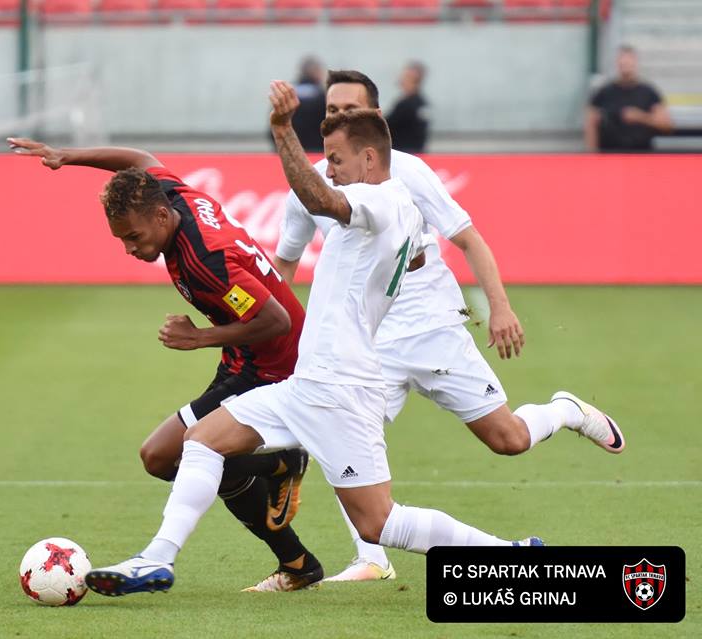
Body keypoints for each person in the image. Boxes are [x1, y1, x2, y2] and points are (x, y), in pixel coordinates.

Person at [82, 84, 589, 598]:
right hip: (313, 380)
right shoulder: (403, 214)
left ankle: (509, 557)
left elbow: (322, 199)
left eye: (337, 159)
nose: (330, 169)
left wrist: (283, 131)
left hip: (342, 388)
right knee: (203, 442)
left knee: (380, 523)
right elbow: (409, 257)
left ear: (370, 158)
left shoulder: (378, 200)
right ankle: (157, 560)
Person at [274, 69, 626, 582]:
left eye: (349, 110)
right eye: (330, 111)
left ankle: (564, 410)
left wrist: (500, 307)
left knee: (507, 439)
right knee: (340, 435)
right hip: (368, 348)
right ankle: (372, 557)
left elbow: (468, 239)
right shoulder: (309, 186)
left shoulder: (409, 173)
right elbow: (284, 264)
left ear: (374, 119)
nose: (337, 118)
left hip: (432, 329)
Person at [7, 137, 323, 592]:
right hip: (245, 359)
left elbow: (274, 320)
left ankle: (280, 474)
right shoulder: (170, 195)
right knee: (171, 456)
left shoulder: (206, 260)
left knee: (165, 454)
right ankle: (296, 558)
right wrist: (67, 157)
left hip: (272, 366)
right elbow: (138, 160)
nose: (130, 250)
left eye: (133, 238)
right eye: (121, 240)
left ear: (159, 218)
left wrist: (200, 337)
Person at [585, 45, 673, 152]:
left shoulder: (649, 92)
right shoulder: (604, 92)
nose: (625, 65)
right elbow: (590, 124)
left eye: (629, 61)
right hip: (610, 154)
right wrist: (592, 154)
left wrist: (641, 117)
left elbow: (666, 125)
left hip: (641, 154)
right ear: (617, 63)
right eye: (622, 62)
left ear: (635, 63)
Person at [385, 61, 429, 154]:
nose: (401, 79)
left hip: (404, 153)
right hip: (412, 153)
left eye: (405, 76)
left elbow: (386, 125)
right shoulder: (420, 103)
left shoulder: (408, 105)